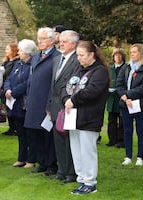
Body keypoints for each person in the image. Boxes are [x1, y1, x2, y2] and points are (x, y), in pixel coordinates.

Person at [63, 41, 109, 194]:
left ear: (92, 55)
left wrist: (73, 100)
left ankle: (90, 182)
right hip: (73, 117)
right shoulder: (78, 69)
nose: (79, 58)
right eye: (77, 55)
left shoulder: (100, 71)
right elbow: (66, 86)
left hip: (89, 118)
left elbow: (92, 91)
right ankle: (81, 179)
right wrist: (65, 99)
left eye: (82, 55)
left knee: (87, 151)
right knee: (76, 150)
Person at [24, 27, 60, 175]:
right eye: (39, 39)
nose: (40, 41)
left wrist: (50, 103)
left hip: (46, 101)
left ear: (51, 40)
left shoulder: (57, 57)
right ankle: (42, 162)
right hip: (33, 101)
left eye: (43, 39)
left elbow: (55, 83)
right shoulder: (36, 56)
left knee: (48, 135)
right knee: (34, 133)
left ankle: (51, 165)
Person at [48, 30, 79, 184]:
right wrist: (49, 104)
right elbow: (52, 85)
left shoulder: (77, 60)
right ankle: (62, 170)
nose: (61, 43)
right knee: (58, 140)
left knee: (69, 141)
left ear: (73, 44)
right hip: (55, 107)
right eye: (60, 41)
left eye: (65, 41)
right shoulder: (57, 59)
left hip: (68, 106)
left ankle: (71, 173)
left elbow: (74, 84)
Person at [116, 43, 143, 166]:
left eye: (135, 52)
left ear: (141, 53)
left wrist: (128, 95)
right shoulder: (126, 68)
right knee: (127, 130)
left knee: (140, 130)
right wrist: (124, 97)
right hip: (126, 104)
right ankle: (128, 156)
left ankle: (139, 157)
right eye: (131, 52)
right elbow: (119, 84)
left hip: (140, 104)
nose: (132, 54)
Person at [4, 39, 37, 168]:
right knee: (20, 132)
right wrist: (7, 89)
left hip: (25, 103)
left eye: (21, 50)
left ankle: (31, 159)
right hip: (16, 104)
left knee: (30, 133)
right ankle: (21, 158)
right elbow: (9, 79)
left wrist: (14, 92)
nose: (18, 52)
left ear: (28, 52)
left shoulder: (32, 65)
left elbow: (27, 82)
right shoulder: (18, 64)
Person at [106, 48, 126, 147]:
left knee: (122, 120)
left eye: (119, 55)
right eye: (115, 55)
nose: (117, 57)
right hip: (111, 98)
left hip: (121, 97)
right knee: (111, 120)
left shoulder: (126, 68)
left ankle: (120, 140)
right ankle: (112, 139)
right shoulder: (110, 68)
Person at [1, 43, 19, 136]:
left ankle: (15, 128)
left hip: (11, 88)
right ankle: (11, 127)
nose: (6, 51)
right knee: (8, 109)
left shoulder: (16, 62)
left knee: (12, 108)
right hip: (5, 87)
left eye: (8, 49)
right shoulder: (6, 62)